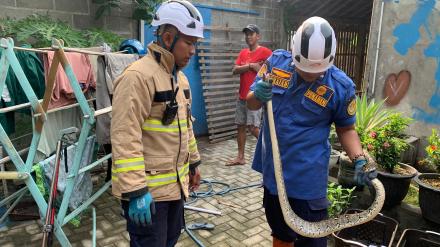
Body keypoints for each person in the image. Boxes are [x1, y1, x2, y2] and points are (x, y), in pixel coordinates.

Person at [246, 17, 377, 247]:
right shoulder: (275, 63)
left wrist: (359, 158)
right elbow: (251, 103)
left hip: (307, 181)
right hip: (274, 175)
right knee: (280, 233)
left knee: (313, 241)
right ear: (293, 51)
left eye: (316, 71)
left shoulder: (340, 86)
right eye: (303, 68)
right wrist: (258, 94)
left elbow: (346, 129)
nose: (309, 75)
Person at [110, 1, 204, 246]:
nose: (193, 50)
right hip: (148, 196)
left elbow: (187, 125)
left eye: (196, 43)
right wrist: (136, 191)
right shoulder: (137, 77)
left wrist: (193, 163)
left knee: (170, 240)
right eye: (189, 42)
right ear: (168, 37)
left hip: (175, 188)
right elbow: (124, 136)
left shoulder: (180, 80)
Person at [226, 24, 272, 166]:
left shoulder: (265, 52)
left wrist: (264, 73)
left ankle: (271, 152)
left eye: (251, 34)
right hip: (242, 97)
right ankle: (240, 157)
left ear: (258, 36)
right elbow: (234, 70)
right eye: (246, 34)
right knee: (240, 126)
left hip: (255, 97)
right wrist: (251, 66)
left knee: (253, 128)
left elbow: (273, 68)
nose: (248, 36)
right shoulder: (243, 53)